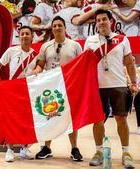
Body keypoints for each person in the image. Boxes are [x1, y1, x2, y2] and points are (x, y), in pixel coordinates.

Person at [84, 9, 136, 168]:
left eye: (104, 19)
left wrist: (133, 83)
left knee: (122, 120)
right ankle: (99, 152)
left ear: (110, 21)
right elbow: (84, 66)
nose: (101, 22)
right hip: (97, 87)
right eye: (98, 20)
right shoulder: (90, 41)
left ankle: (126, 153)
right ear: (95, 23)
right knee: (98, 121)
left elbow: (129, 63)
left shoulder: (122, 39)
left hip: (119, 85)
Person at [33, 16, 83, 162]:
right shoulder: (45, 46)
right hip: (51, 89)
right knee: (49, 116)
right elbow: (40, 65)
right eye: (54, 26)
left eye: (59, 25)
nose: (56, 28)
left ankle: (74, 148)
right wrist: (36, 70)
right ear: (52, 28)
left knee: (71, 119)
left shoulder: (75, 45)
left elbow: (80, 67)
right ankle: (46, 148)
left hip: (69, 87)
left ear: (65, 27)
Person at [0, 26, 37, 162]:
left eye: (27, 34)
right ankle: (9, 149)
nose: (25, 36)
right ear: (19, 36)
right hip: (12, 90)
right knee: (11, 120)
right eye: (22, 34)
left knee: (27, 121)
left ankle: (24, 148)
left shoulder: (35, 54)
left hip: (28, 90)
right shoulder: (11, 51)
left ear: (32, 37)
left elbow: (39, 69)